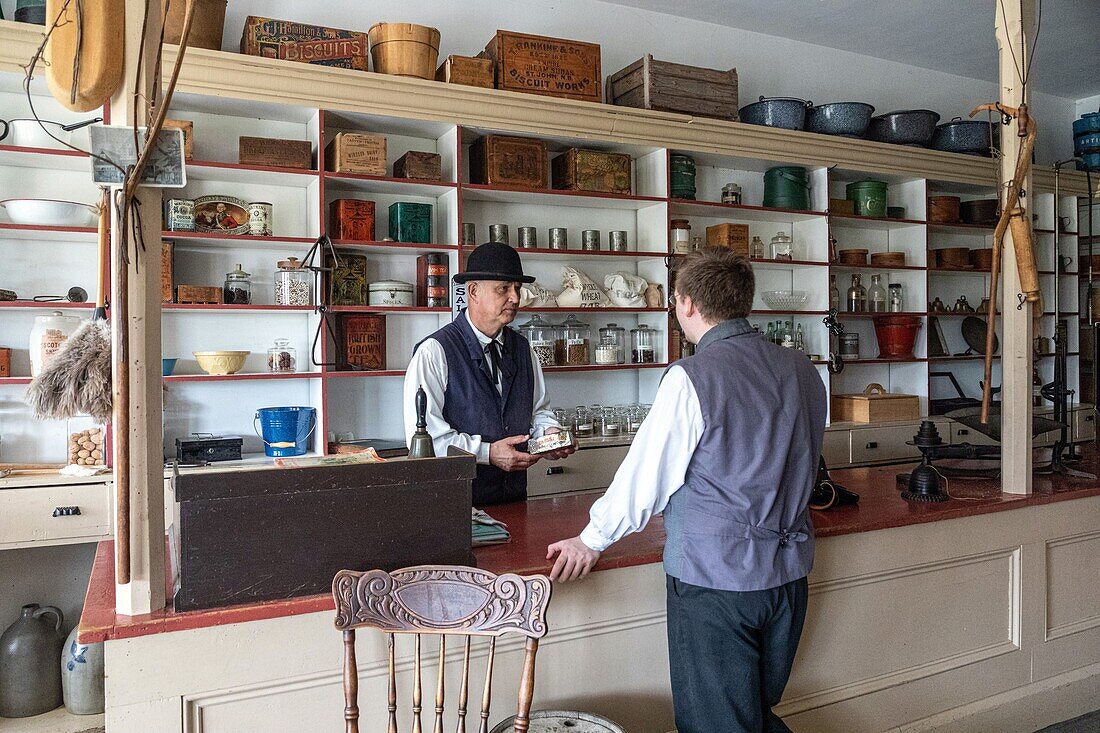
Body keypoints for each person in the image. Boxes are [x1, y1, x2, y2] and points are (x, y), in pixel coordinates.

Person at [546, 247, 827, 733]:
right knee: (753, 715)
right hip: (788, 577)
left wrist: (591, 539)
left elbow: (645, 477)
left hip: (717, 583)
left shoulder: (691, 376)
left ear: (686, 304)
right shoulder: (802, 368)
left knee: (715, 724)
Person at [404, 242, 576, 505]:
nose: (515, 298)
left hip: (514, 500)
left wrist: (550, 436)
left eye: (517, 289)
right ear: (473, 291)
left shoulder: (523, 349)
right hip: (456, 506)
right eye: (503, 289)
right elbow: (428, 442)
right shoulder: (434, 352)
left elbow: (539, 411)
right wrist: (488, 453)